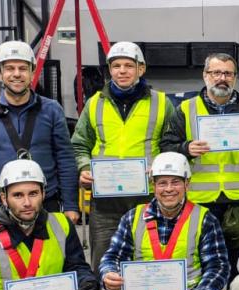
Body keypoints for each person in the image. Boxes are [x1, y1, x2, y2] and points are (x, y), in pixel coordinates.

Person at [160, 53, 239, 284]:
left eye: (228, 73)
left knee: (237, 267)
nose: (222, 78)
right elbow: (167, 147)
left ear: (235, 77)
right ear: (205, 75)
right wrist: (186, 148)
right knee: (199, 262)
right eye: (216, 73)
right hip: (199, 201)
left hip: (237, 201)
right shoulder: (186, 109)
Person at [71, 41, 177, 272]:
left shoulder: (161, 103)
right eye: (116, 65)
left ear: (141, 69)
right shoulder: (93, 104)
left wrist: (161, 168)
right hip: (105, 202)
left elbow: (171, 144)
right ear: (109, 70)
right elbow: (80, 144)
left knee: (147, 258)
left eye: (129, 65)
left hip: (148, 198)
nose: (122, 71)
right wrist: (83, 168)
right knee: (103, 262)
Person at [0, 40, 79, 231]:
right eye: (9, 68)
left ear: (32, 72)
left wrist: (71, 204)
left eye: (23, 68)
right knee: (1, 260)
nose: (16, 74)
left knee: (49, 259)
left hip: (45, 206)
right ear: (0, 73)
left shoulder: (51, 110)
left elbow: (65, 159)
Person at [0, 160, 98, 290]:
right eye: (18, 195)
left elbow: (77, 266)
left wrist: (86, 280)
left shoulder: (62, 224)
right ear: (4, 198)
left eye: (33, 193)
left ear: (43, 193)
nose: (27, 203)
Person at [99, 152, 230, 290]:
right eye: (162, 183)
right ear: (153, 186)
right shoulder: (132, 218)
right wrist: (108, 273)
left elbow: (217, 265)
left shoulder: (205, 219)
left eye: (175, 182)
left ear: (187, 184)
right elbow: (113, 256)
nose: (169, 189)